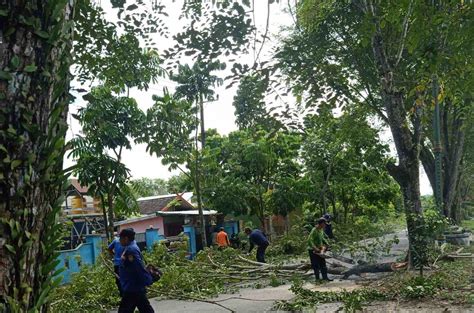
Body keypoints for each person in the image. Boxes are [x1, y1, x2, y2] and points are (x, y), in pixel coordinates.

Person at [118, 228, 154, 313]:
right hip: (133, 286)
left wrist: (146, 280)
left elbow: (138, 268)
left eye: (120, 238)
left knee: (125, 310)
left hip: (132, 286)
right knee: (144, 307)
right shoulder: (130, 247)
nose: (119, 241)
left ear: (126, 238)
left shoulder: (131, 250)